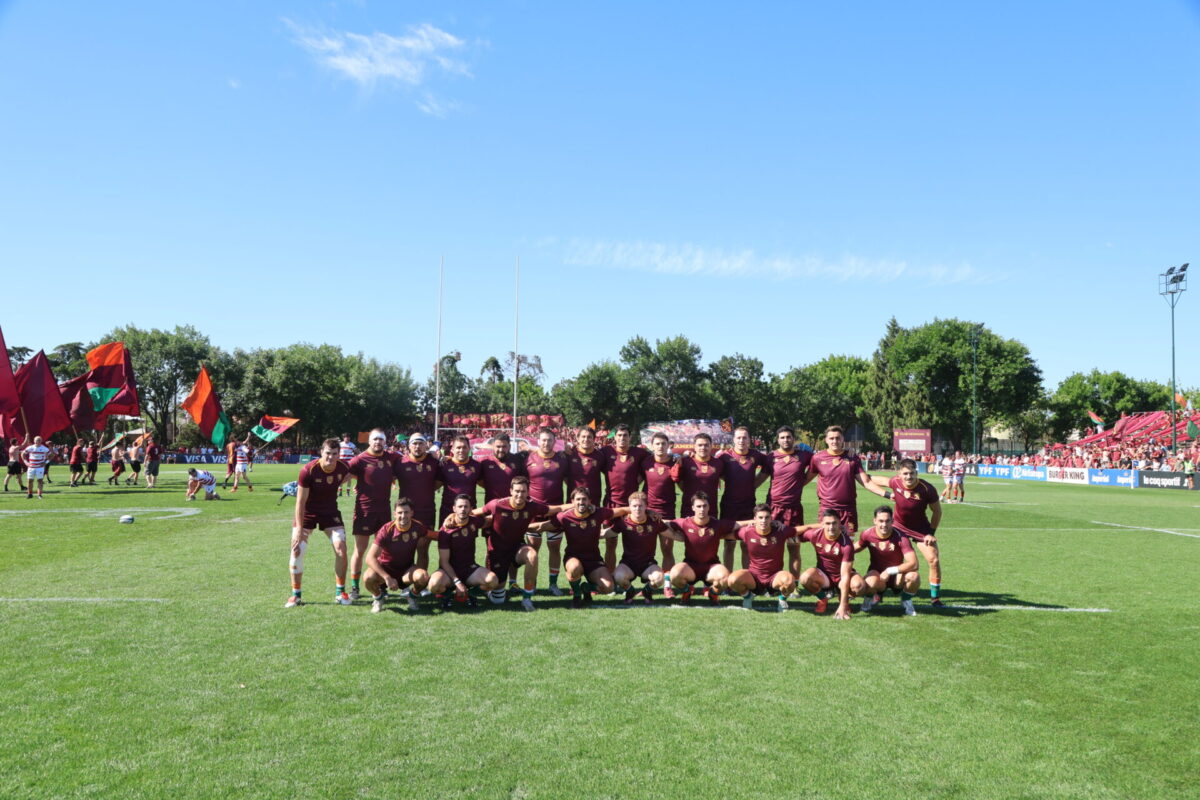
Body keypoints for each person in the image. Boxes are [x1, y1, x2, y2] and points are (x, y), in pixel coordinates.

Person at [538, 486, 636, 608]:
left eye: (584, 499)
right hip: (573, 558)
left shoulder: (598, 513)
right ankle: (577, 594)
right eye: (578, 499)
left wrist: (645, 511)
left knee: (609, 588)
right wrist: (522, 526)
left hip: (593, 560)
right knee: (574, 568)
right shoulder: (564, 516)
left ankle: (586, 588)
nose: (581, 502)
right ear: (572, 501)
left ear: (589, 501)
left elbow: (620, 511)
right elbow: (542, 526)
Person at [286, 438, 352, 608]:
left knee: (341, 548)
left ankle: (340, 592)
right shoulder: (308, 470)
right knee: (297, 549)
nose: (331, 457)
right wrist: (299, 529)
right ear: (321, 452)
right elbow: (300, 502)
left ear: (339, 454)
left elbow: (358, 470)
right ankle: (295, 595)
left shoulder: (343, 467)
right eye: (328, 453)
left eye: (334, 454)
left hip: (330, 512)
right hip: (308, 512)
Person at [871, 458, 943, 606]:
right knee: (885, 556)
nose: (909, 477)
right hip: (898, 526)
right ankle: (880, 591)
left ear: (916, 473)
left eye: (912, 473)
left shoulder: (927, 489)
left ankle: (935, 598)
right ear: (899, 474)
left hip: (921, 530)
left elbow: (937, 511)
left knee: (933, 560)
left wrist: (931, 533)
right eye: (905, 474)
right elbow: (876, 480)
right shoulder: (895, 482)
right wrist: (857, 474)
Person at [474, 475, 551, 611]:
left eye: (523, 491)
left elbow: (555, 508)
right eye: (517, 491)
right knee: (498, 600)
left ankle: (527, 598)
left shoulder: (531, 506)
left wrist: (574, 505)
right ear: (511, 491)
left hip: (516, 549)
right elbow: (474, 512)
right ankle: (486, 590)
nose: (520, 495)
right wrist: (453, 516)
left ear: (528, 492)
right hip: (498, 553)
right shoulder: (497, 504)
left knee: (532, 555)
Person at [802, 425, 891, 533]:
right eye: (831, 438)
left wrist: (888, 495)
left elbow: (866, 482)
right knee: (827, 542)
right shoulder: (817, 458)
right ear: (826, 440)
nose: (835, 441)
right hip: (827, 510)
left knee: (848, 543)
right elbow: (805, 479)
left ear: (843, 439)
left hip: (848, 510)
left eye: (838, 438)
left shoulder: (852, 457)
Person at [346, 429, 402, 600]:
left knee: (384, 551)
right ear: (369, 441)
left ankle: (381, 585)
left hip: (384, 511)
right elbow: (343, 474)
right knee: (360, 550)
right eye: (375, 439)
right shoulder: (359, 459)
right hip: (364, 511)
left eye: (381, 439)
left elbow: (409, 460)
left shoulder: (392, 457)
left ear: (385, 442)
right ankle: (354, 587)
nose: (378, 442)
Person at [427, 493, 499, 610]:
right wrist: (457, 582)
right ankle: (448, 595)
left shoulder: (474, 521)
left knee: (493, 581)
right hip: (449, 571)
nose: (463, 509)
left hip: (469, 569)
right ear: (454, 508)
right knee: (434, 585)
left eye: (466, 507)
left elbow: (489, 520)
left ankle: (470, 594)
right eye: (460, 506)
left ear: (471, 509)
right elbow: (444, 562)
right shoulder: (446, 530)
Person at [664, 492, 738, 604]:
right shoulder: (685, 523)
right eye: (698, 506)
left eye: (704, 506)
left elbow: (739, 524)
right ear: (693, 508)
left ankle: (713, 593)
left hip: (711, 567)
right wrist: (649, 516)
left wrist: (757, 522)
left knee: (725, 579)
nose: (702, 509)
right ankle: (687, 591)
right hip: (690, 566)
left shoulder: (717, 524)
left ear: (709, 507)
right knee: (674, 575)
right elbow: (665, 523)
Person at [521, 427, 571, 595]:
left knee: (554, 548)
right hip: (533, 511)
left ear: (554, 441)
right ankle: (532, 584)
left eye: (550, 440)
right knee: (533, 549)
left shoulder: (562, 459)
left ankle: (553, 584)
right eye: (543, 440)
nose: (546, 443)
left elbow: (569, 480)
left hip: (556, 510)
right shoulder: (529, 458)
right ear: (538, 441)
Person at [363, 497, 432, 613]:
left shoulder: (417, 526)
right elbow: (370, 558)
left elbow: (435, 535)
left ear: (412, 513)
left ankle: (412, 596)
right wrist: (387, 577)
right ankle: (378, 598)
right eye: (400, 513)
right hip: (385, 571)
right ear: (394, 514)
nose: (403, 516)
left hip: (406, 571)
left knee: (423, 576)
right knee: (368, 578)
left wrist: (451, 525)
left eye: (406, 512)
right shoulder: (386, 530)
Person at [717, 426, 771, 572]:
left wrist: (755, 483)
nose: (741, 440)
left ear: (749, 440)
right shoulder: (724, 456)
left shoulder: (756, 455)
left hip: (748, 506)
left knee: (746, 544)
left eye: (744, 437)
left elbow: (769, 466)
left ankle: (746, 578)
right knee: (729, 544)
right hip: (729, 506)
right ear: (734, 440)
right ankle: (727, 577)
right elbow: (716, 470)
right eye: (738, 437)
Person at [725, 503, 799, 611]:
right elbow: (724, 534)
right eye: (760, 517)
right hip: (754, 578)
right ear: (754, 519)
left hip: (774, 577)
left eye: (766, 517)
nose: (763, 520)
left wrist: (822, 525)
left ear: (771, 518)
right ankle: (748, 596)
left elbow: (801, 529)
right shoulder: (747, 531)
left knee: (790, 582)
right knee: (732, 580)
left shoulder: (781, 531)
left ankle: (782, 600)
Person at [797, 508, 866, 620]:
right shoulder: (815, 534)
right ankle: (822, 599)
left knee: (859, 586)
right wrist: (814, 526)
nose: (831, 527)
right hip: (824, 576)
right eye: (827, 523)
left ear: (840, 523)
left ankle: (843, 599)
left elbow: (845, 576)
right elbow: (794, 532)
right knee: (805, 578)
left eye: (834, 523)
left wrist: (843, 606)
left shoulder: (847, 544)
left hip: (841, 576)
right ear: (822, 524)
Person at [767, 425, 813, 581]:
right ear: (777, 440)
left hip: (793, 510)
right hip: (773, 509)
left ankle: (794, 584)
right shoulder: (770, 457)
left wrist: (848, 452)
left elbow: (823, 458)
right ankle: (772, 583)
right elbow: (760, 476)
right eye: (782, 437)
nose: (785, 440)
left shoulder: (804, 455)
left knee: (794, 548)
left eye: (788, 437)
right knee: (772, 548)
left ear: (794, 439)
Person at [856, 506, 920, 616]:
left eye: (887, 521)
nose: (884, 524)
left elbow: (914, 563)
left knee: (914, 577)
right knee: (870, 581)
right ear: (874, 521)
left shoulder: (901, 537)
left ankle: (906, 600)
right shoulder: (867, 534)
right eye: (881, 521)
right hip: (878, 576)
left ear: (892, 521)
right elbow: (854, 548)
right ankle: (869, 599)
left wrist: (889, 571)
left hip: (897, 577)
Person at [609, 491, 668, 604]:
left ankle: (647, 591)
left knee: (659, 579)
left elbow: (672, 534)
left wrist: (687, 535)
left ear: (646, 506)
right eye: (634, 506)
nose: (637, 509)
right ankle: (630, 591)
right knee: (618, 576)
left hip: (648, 564)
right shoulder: (623, 521)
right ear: (629, 507)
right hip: (628, 563)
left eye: (640, 506)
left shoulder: (654, 521)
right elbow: (606, 533)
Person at [397, 432, 442, 572]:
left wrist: (425, 489)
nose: (417, 446)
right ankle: (404, 580)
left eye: (420, 443)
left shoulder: (434, 462)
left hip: (426, 512)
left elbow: (439, 482)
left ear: (426, 445)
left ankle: (421, 582)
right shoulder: (400, 462)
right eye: (414, 443)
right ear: (409, 446)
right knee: (404, 549)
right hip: (405, 513)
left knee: (422, 548)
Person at [436, 435, 483, 526]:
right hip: (447, 512)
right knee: (445, 535)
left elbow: (486, 485)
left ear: (469, 449)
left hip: (469, 513)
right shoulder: (444, 465)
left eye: (464, 447)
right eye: (458, 447)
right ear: (452, 450)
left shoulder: (477, 466)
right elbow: (434, 486)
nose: (461, 450)